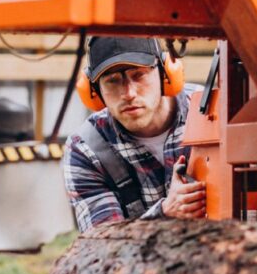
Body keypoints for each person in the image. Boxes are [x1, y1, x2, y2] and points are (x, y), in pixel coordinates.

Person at [63, 36, 206, 232]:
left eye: (139, 75)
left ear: (166, 74)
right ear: (94, 91)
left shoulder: (211, 112)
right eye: (112, 81)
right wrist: (164, 213)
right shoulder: (85, 150)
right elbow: (104, 244)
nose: (129, 93)